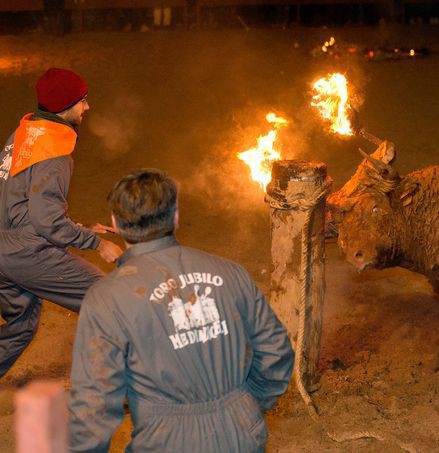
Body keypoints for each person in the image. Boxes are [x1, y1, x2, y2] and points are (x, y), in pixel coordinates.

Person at [69, 169, 294, 452]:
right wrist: (245, 405)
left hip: (165, 440)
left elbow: (94, 403)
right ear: (175, 217)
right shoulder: (230, 273)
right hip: (241, 435)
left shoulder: (106, 298)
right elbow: (276, 352)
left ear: (115, 223)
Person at [0, 67, 122, 377]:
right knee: (110, 300)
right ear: (65, 105)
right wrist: (97, 243)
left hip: (4, 246)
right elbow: (45, 220)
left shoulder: (25, 132)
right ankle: (141, 381)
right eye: (83, 101)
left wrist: (80, 227)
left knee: (20, 326)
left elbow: (25, 203)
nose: (87, 107)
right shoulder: (55, 149)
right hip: (26, 254)